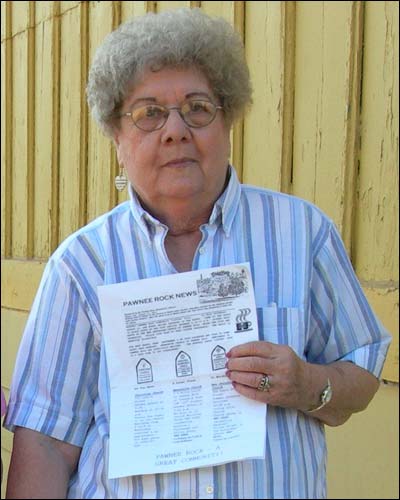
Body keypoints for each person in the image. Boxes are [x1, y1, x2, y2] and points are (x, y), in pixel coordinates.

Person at [4, 7, 391, 499]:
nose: (175, 130)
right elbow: (45, 445)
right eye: (148, 113)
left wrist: (308, 382)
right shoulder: (81, 265)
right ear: (116, 136)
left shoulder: (303, 234)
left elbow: (359, 373)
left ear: (228, 119)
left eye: (198, 108)